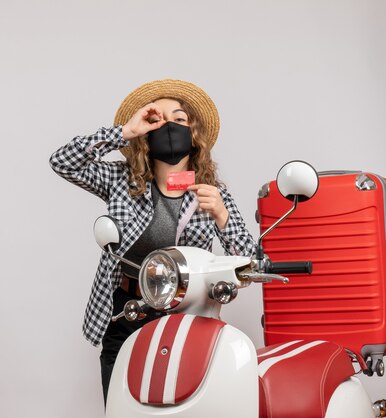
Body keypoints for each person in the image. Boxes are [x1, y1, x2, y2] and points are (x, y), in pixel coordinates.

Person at [48, 79, 257, 403]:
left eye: (180, 119)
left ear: (194, 133)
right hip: (126, 312)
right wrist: (123, 132)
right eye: (158, 119)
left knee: (180, 407)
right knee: (123, 406)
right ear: (146, 132)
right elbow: (62, 161)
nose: (170, 126)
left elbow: (249, 264)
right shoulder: (120, 180)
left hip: (188, 315)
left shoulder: (214, 193)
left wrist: (221, 215)